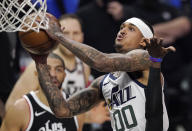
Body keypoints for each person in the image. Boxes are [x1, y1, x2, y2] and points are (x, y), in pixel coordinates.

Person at [35, 16, 175, 130]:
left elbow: (101, 62)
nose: (123, 31)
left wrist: (60, 36)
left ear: (144, 42)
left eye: (131, 29)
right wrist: (40, 61)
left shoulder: (146, 59)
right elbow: (62, 110)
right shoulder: (104, 82)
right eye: (122, 27)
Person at [5, 14, 110, 130]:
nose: (71, 38)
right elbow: (11, 106)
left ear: (82, 36)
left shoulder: (84, 66)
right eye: (66, 33)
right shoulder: (41, 66)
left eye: (75, 33)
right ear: (55, 35)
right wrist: (87, 117)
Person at [0, 53, 83, 131]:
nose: (53, 74)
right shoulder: (21, 109)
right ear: (37, 74)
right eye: (47, 69)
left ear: (65, 75)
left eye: (58, 69)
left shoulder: (76, 110)